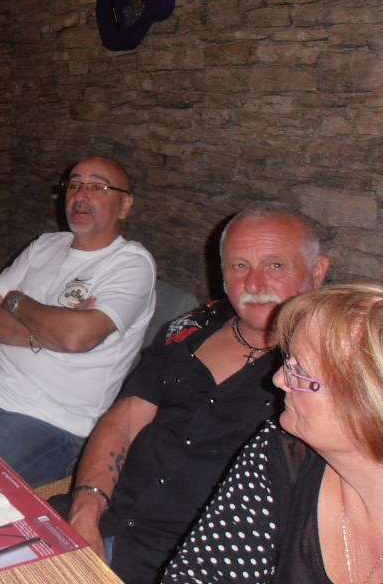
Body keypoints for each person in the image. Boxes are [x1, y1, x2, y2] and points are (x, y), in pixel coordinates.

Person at [65, 202, 329, 584]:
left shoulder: (324, 375)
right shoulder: (189, 328)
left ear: (317, 272)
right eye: (239, 266)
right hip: (102, 517)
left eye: (275, 266)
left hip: (185, 564)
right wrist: (85, 510)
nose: (254, 285)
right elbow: (125, 419)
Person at [0, 156, 156, 488]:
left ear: (124, 205)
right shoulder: (45, 244)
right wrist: (46, 331)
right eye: (74, 185)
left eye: (97, 187)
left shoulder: (132, 264)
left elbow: (75, 337)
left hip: (47, 420)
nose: (81, 195)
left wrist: (15, 301)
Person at [163, 281, 383, 583]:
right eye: (287, 360)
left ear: (368, 403)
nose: (278, 379)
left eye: (300, 371)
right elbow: (201, 573)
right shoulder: (278, 453)